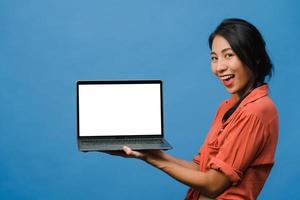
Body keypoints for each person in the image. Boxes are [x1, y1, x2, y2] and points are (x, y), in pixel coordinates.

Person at [107, 18, 279, 200]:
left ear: (255, 57)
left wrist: (153, 160)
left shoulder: (256, 111)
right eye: (214, 58)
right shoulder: (228, 106)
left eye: (229, 55)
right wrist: (150, 153)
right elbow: (201, 170)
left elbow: (214, 185)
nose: (219, 67)